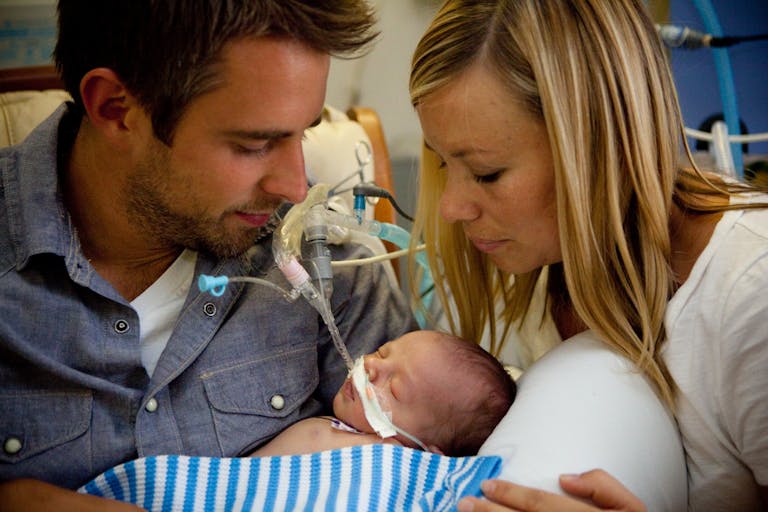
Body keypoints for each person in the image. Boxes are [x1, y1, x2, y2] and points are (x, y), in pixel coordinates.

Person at [0, 1, 418, 510]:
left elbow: (436, 467)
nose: (294, 186)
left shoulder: (329, 267)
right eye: (254, 144)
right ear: (115, 108)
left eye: (303, 132)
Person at [407, 0, 768, 511]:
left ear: (601, 145)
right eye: (444, 164)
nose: (450, 208)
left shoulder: (750, 293)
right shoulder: (520, 271)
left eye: (487, 173)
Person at [250, 329, 517, 457]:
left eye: (395, 389)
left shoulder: (389, 456)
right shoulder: (342, 429)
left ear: (428, 451)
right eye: (381, 352)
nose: (370, 364)